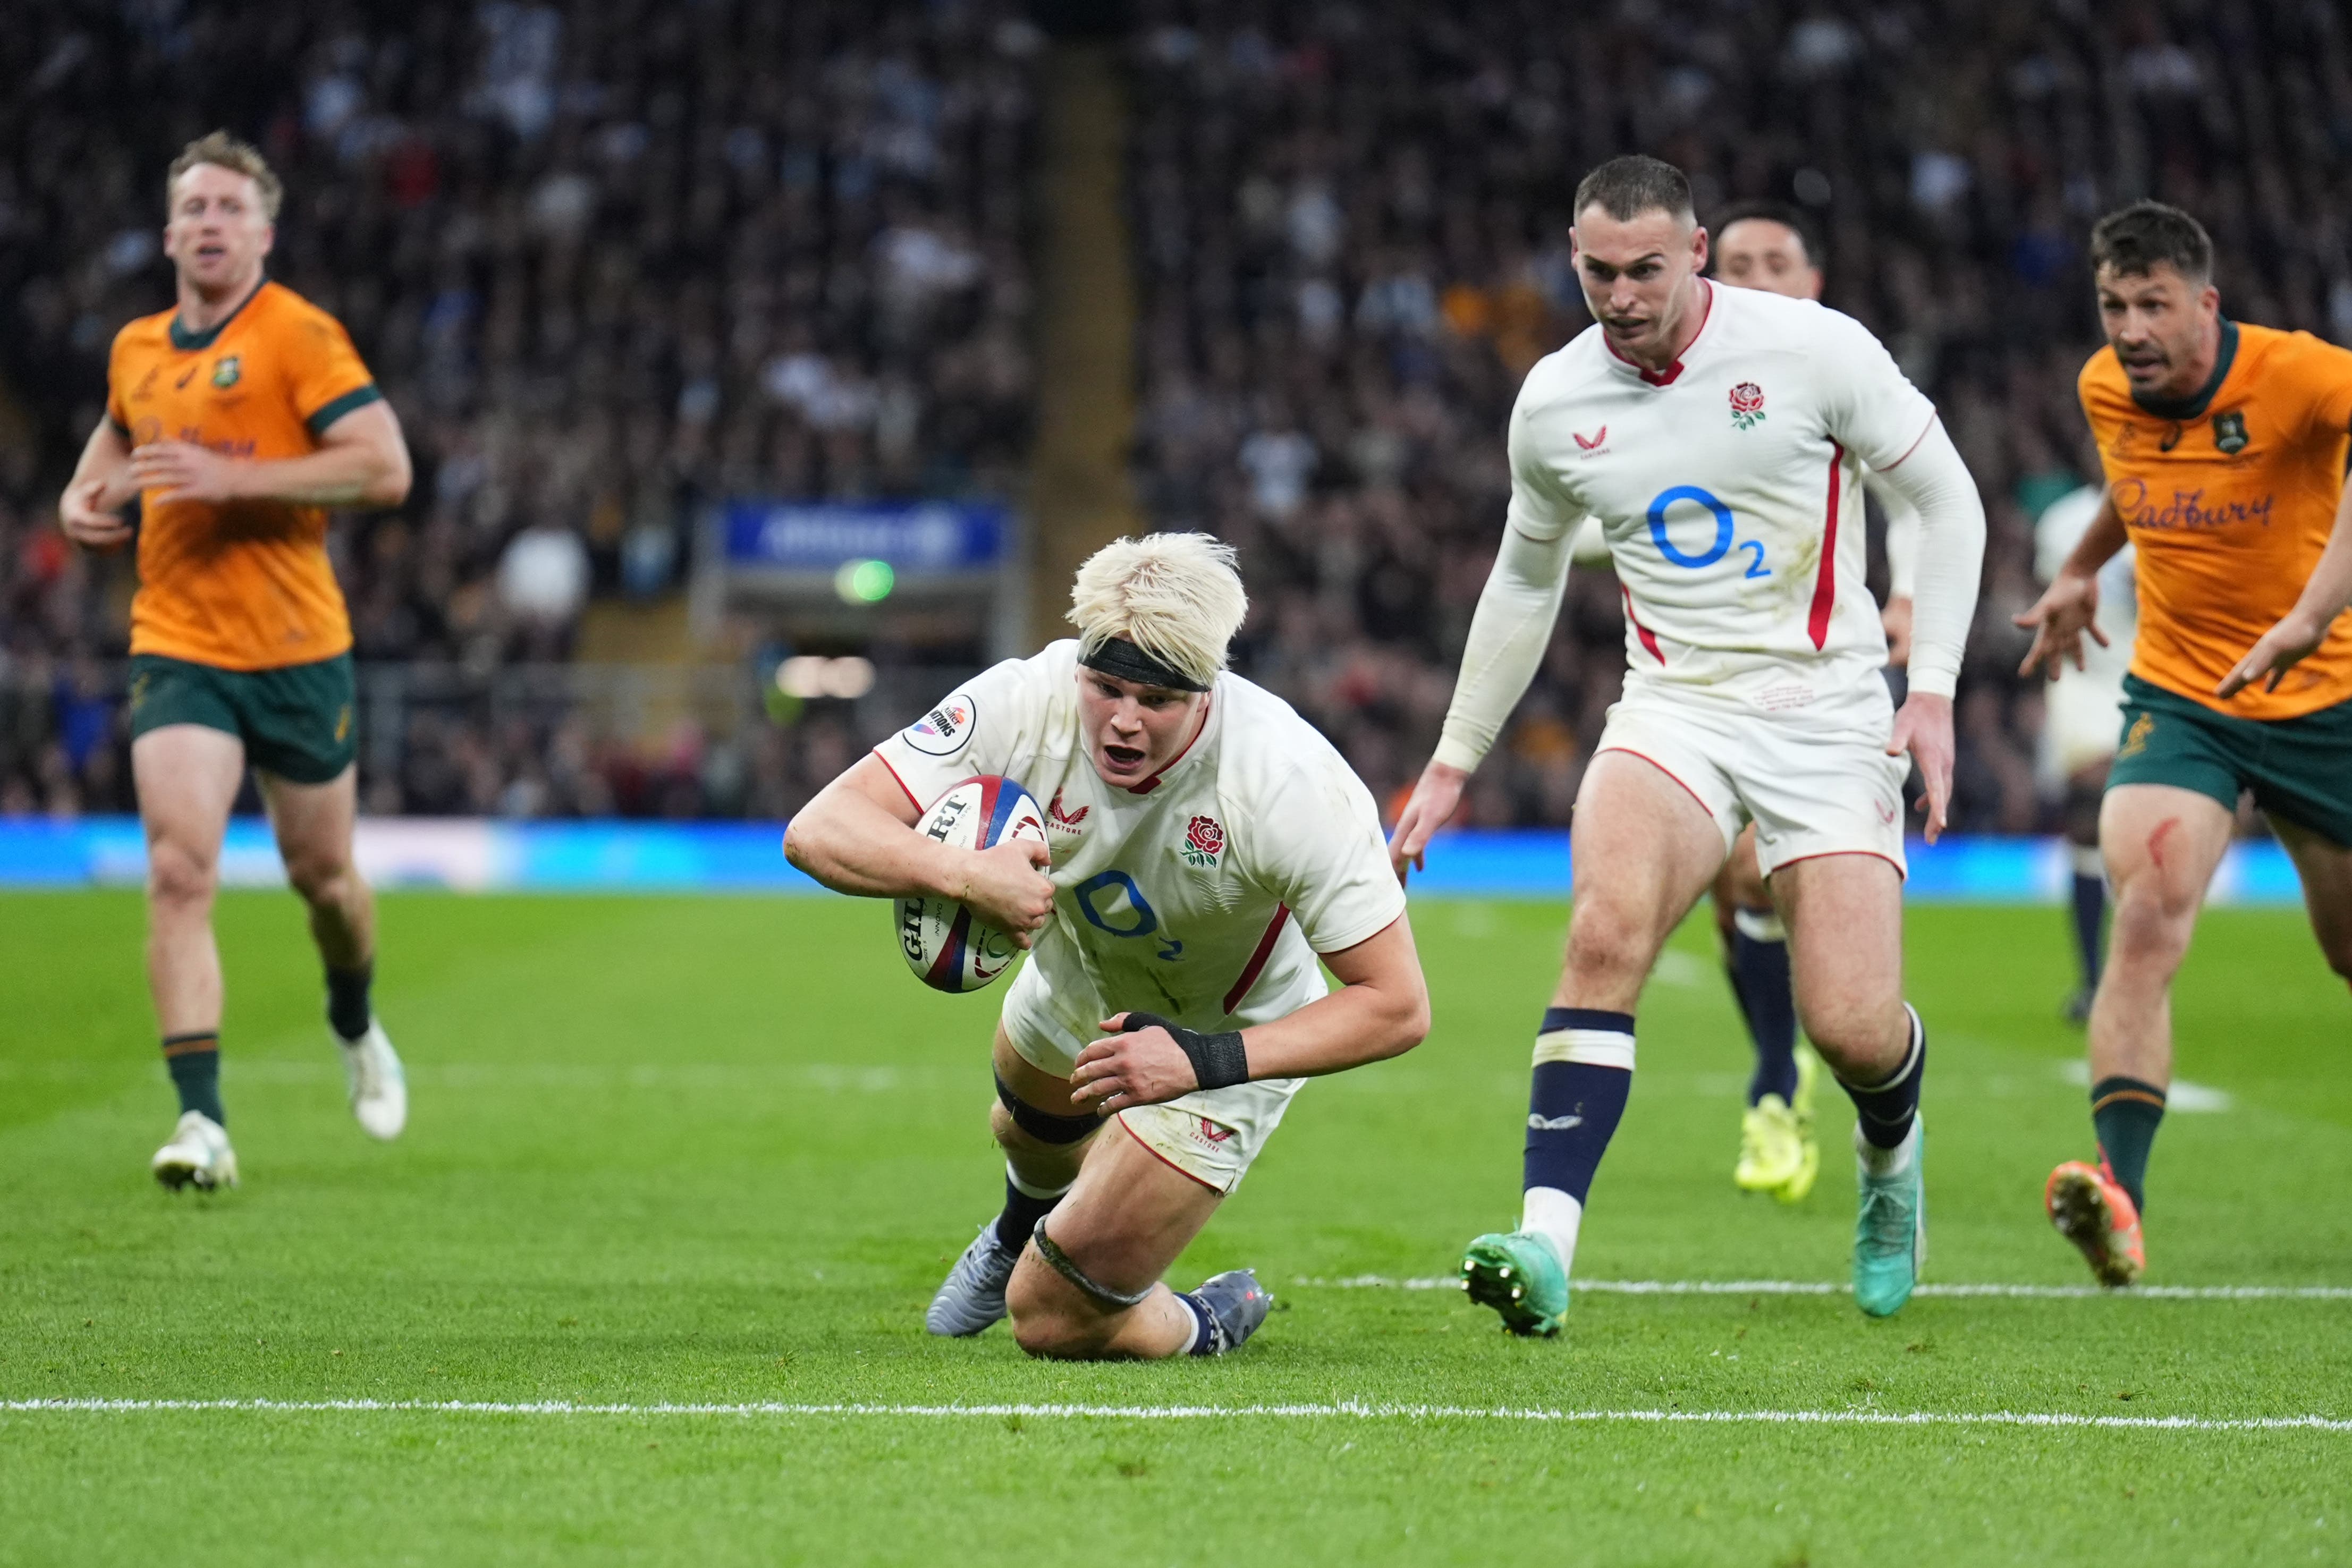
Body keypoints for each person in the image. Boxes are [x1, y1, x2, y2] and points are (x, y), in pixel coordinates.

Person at [1390, 156, 1986, 1333]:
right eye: (1598, 272)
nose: (1620, 296)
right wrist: (1453, 758)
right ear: (1573, 258)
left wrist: (1929, 690)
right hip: (1673, 707)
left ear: (1697, 252)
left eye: (1645, 270)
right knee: (1602, 934)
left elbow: (1947, 499)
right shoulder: (1554, 402)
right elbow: (1524, 578)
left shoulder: (1813, 349)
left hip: (1827, 709)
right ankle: (1544, 1243)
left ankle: (1888, 1152)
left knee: (1852, 1027)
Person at [785, 533, 1429, 1359]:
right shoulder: (1024, 700)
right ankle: (1019, 1226)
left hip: (1226, 1032)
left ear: (1206, 690)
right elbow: (817, 830)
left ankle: (1205, 1319)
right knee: (1023, 1122)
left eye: (1156, 699)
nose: (1124, 720)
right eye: (1105, 687)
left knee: (1049, 1317)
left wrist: (1200, 1060)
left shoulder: (1286, 780)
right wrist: (964, 873)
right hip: (1086, 969)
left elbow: (1397, 1005)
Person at [56, 132, 412, 1191]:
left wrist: (234, 479)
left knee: (325, 880)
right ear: (169, 235)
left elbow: (385, 467)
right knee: (178, 870)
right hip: (180, 645)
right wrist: (82, 493)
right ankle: (201, 1121)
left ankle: (353, 1018)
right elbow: (119, 433)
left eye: (229, 208)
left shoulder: (297, 335)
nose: (210, 222)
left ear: (264, 234)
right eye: (194, 208)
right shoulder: (137, 347)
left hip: (299, 651)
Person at [2017, 201, 2352, 1287]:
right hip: (2184, 699)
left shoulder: (2296, 373)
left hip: (2327, 699)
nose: (2129, 329)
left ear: (2205, 303)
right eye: (2112, 305)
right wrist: (2078, 567)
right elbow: (2138, 484)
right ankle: (2118, 1196)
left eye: (2152, 304)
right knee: (2147, 917)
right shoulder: (2104, 385)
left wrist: (2311, 614)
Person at [1702, 200, 1927, 1204]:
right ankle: (1777, 1071)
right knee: (1734, 888)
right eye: (1736, 261)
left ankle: (1795, 1082)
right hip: (1701, 675)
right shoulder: (1680, 378)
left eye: (1774, 260)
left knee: (1766, 881)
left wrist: (1909, 592)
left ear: (1812, 281)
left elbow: (1915, 489)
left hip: (1822, 674)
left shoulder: (1839, 366)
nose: (1753, 277)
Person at [2029, 479, 2137, 1023]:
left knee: (2134, 828)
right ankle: (2095, 979)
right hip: (2082, 678)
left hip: (2147, 675)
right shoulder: (2062, 520)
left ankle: (2127, 976)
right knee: (2089, 814)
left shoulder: (2169, 505)